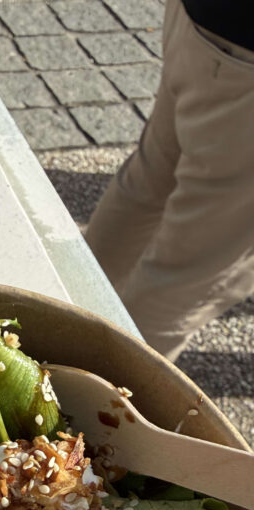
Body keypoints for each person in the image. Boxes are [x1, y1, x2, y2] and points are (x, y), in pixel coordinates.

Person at [84, 0, 254, 361]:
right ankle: (93, 400)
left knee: (147, 185)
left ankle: (57, 313)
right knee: (187, 273)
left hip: (201, 22)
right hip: (243, 62)